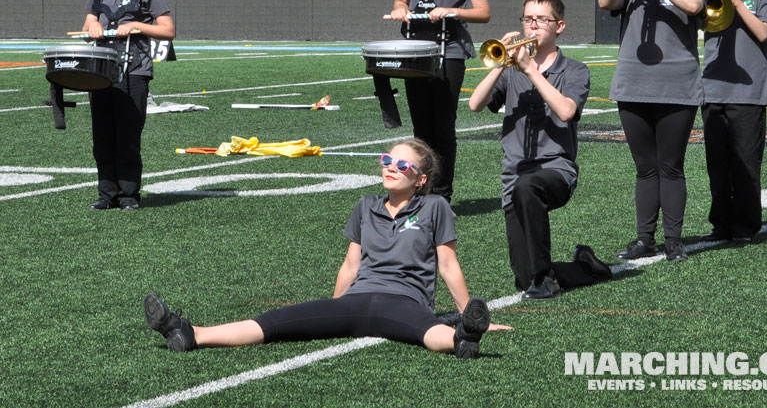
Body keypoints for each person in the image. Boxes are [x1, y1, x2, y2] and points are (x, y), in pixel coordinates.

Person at [145, 139, 511, 358]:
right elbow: (351, 265)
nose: (391, 168)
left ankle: (465, 336)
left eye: (402, 165)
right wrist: (335, 307)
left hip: (404, 302)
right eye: (387, 161)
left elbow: (448, 266)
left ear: (421, 178)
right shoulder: (365, 206)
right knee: (276, 322)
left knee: (428, 334)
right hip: (355, 301)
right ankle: (189, 332)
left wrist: (472, 314)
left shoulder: (435, 208)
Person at [468, 0, 611, 300]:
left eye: (541, 20)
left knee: (528, 187)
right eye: (527, 19)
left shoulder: (575, 70)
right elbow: (475, 104)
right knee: (524, 277)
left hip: (555, 171)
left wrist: (530, 69)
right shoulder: (511, 69)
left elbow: (566, 112)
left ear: (558, 26)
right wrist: (501, 62)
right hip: (514, 176)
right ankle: (585, 268)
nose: (532, 26)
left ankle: (545, 278)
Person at [598, 0, 707, 262]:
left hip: (677, 88)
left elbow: (692, 7)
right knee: (645, 167)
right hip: (634, 86)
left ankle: (673, 239)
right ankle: (645, 237)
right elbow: (605, 1)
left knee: (670, 166)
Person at [389, 0, 491, 204]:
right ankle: (421, 191)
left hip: (451, 53)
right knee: (421, 127)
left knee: (443, 128)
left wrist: (451, 11)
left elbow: (484, 12)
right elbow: (400, 1)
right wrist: (400, 10)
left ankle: (443, 197)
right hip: (416, 53)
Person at [81, 0, 174, 211]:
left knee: (128, 137)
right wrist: (93, 26)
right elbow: (87, 26)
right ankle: (106, 194)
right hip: (101, 71)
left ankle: (129, 195)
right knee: (103, 136)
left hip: (134, 71)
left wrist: (137, 25)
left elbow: (168, 30)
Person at [701, 0, 767, 243]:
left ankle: (746, 225)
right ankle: (721, 224)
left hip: (749, 91)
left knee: (746, 162)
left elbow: (762, 33)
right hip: (713, 87)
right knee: (717, 163)